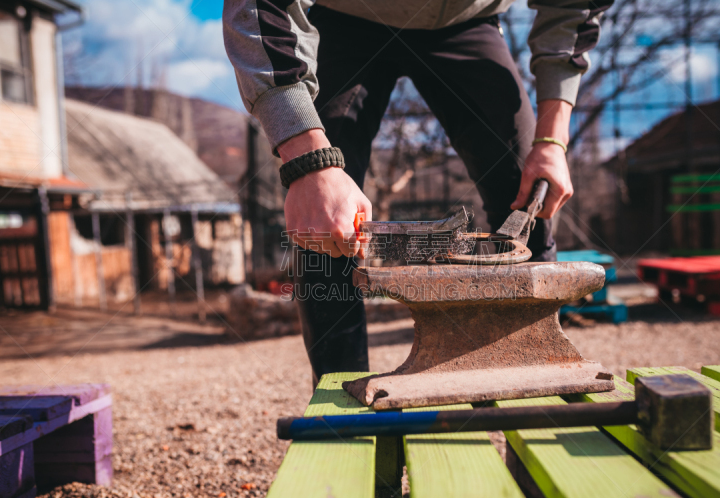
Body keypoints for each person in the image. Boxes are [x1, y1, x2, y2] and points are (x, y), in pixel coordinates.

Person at [223, 0, 612, 385]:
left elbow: (574, 6)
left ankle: (535, 389)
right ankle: (340, 409)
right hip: (343, 18)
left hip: (467, 20)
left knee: (529, 200)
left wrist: (551, 140)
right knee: (323, 221)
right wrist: (307, 161)